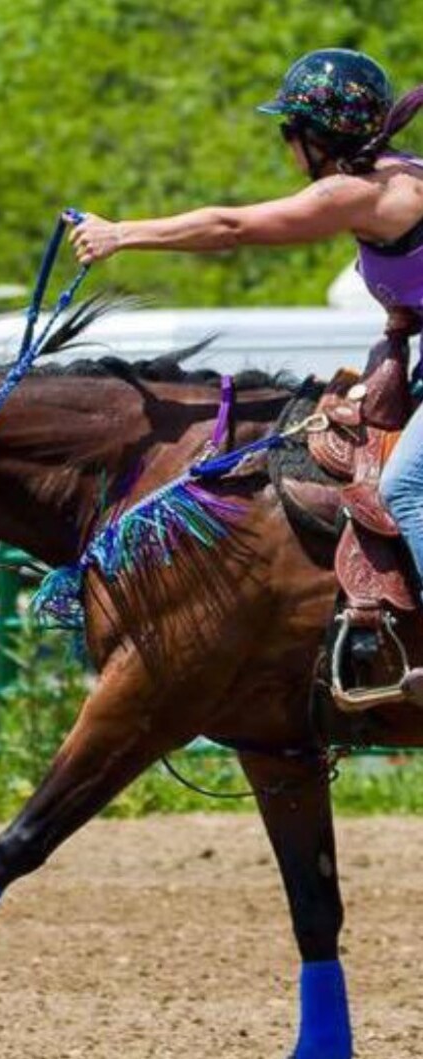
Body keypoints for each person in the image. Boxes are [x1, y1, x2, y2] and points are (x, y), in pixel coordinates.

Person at [66, 46, 423, 695]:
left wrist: (123, 233)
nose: (287, 147)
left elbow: (233, 225)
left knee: (403, 487)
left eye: (289, 131)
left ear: (314, 136)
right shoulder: (397, 176)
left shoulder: (362, 193)